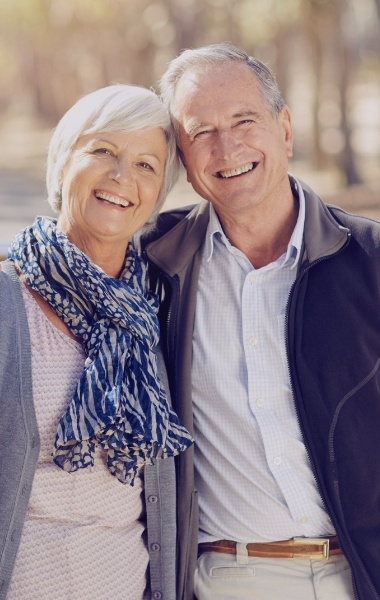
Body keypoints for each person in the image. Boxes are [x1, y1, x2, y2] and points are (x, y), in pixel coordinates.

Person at [138, 43, 380, 600]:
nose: (227, 147)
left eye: (244, 120)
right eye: (201, 132)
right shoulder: (155, 265)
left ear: (285, 130)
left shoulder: (368, 258)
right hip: (233, 578)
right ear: (182, 158)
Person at [0, 83, 193, 600]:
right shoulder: (5, 302)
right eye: (103, 151)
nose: (121, 176)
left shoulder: (150, 315)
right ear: (63, 164)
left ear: (158, 193)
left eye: (146, 165)